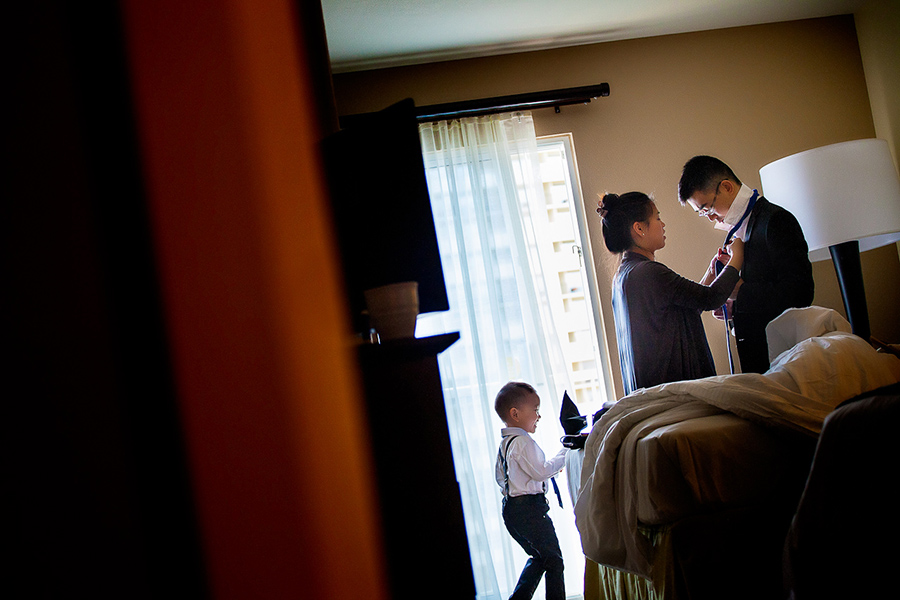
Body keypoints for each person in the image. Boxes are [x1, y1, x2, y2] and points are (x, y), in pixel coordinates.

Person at [678, 155, 814, 373]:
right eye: (703, 213)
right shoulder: (737, 231)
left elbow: (801, 293)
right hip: (756, 362)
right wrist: (734, 309)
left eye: (708, 208)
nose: (710, 218)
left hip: (784, 361)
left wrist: (740, 291)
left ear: (726, 187)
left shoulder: (776, 221)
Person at [598, 191, 743, 395]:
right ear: (639, 228)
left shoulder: (625, 275)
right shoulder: (649, 272)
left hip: (655, 399)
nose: (663, 224)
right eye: (657, 218)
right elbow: (711, 299)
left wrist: (711, 274)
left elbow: (681, 311)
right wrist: (737, 257)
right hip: (677, 399)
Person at [494, 382, 568, 600]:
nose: (539, 416)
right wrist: (565, 452)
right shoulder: (523, 443)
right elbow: (541, 472)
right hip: (530, 511)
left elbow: (501, 479)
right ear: (515, 414)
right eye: (535, 410)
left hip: (512, 511)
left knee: (539, 557)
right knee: (554, 560)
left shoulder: (506, 444)